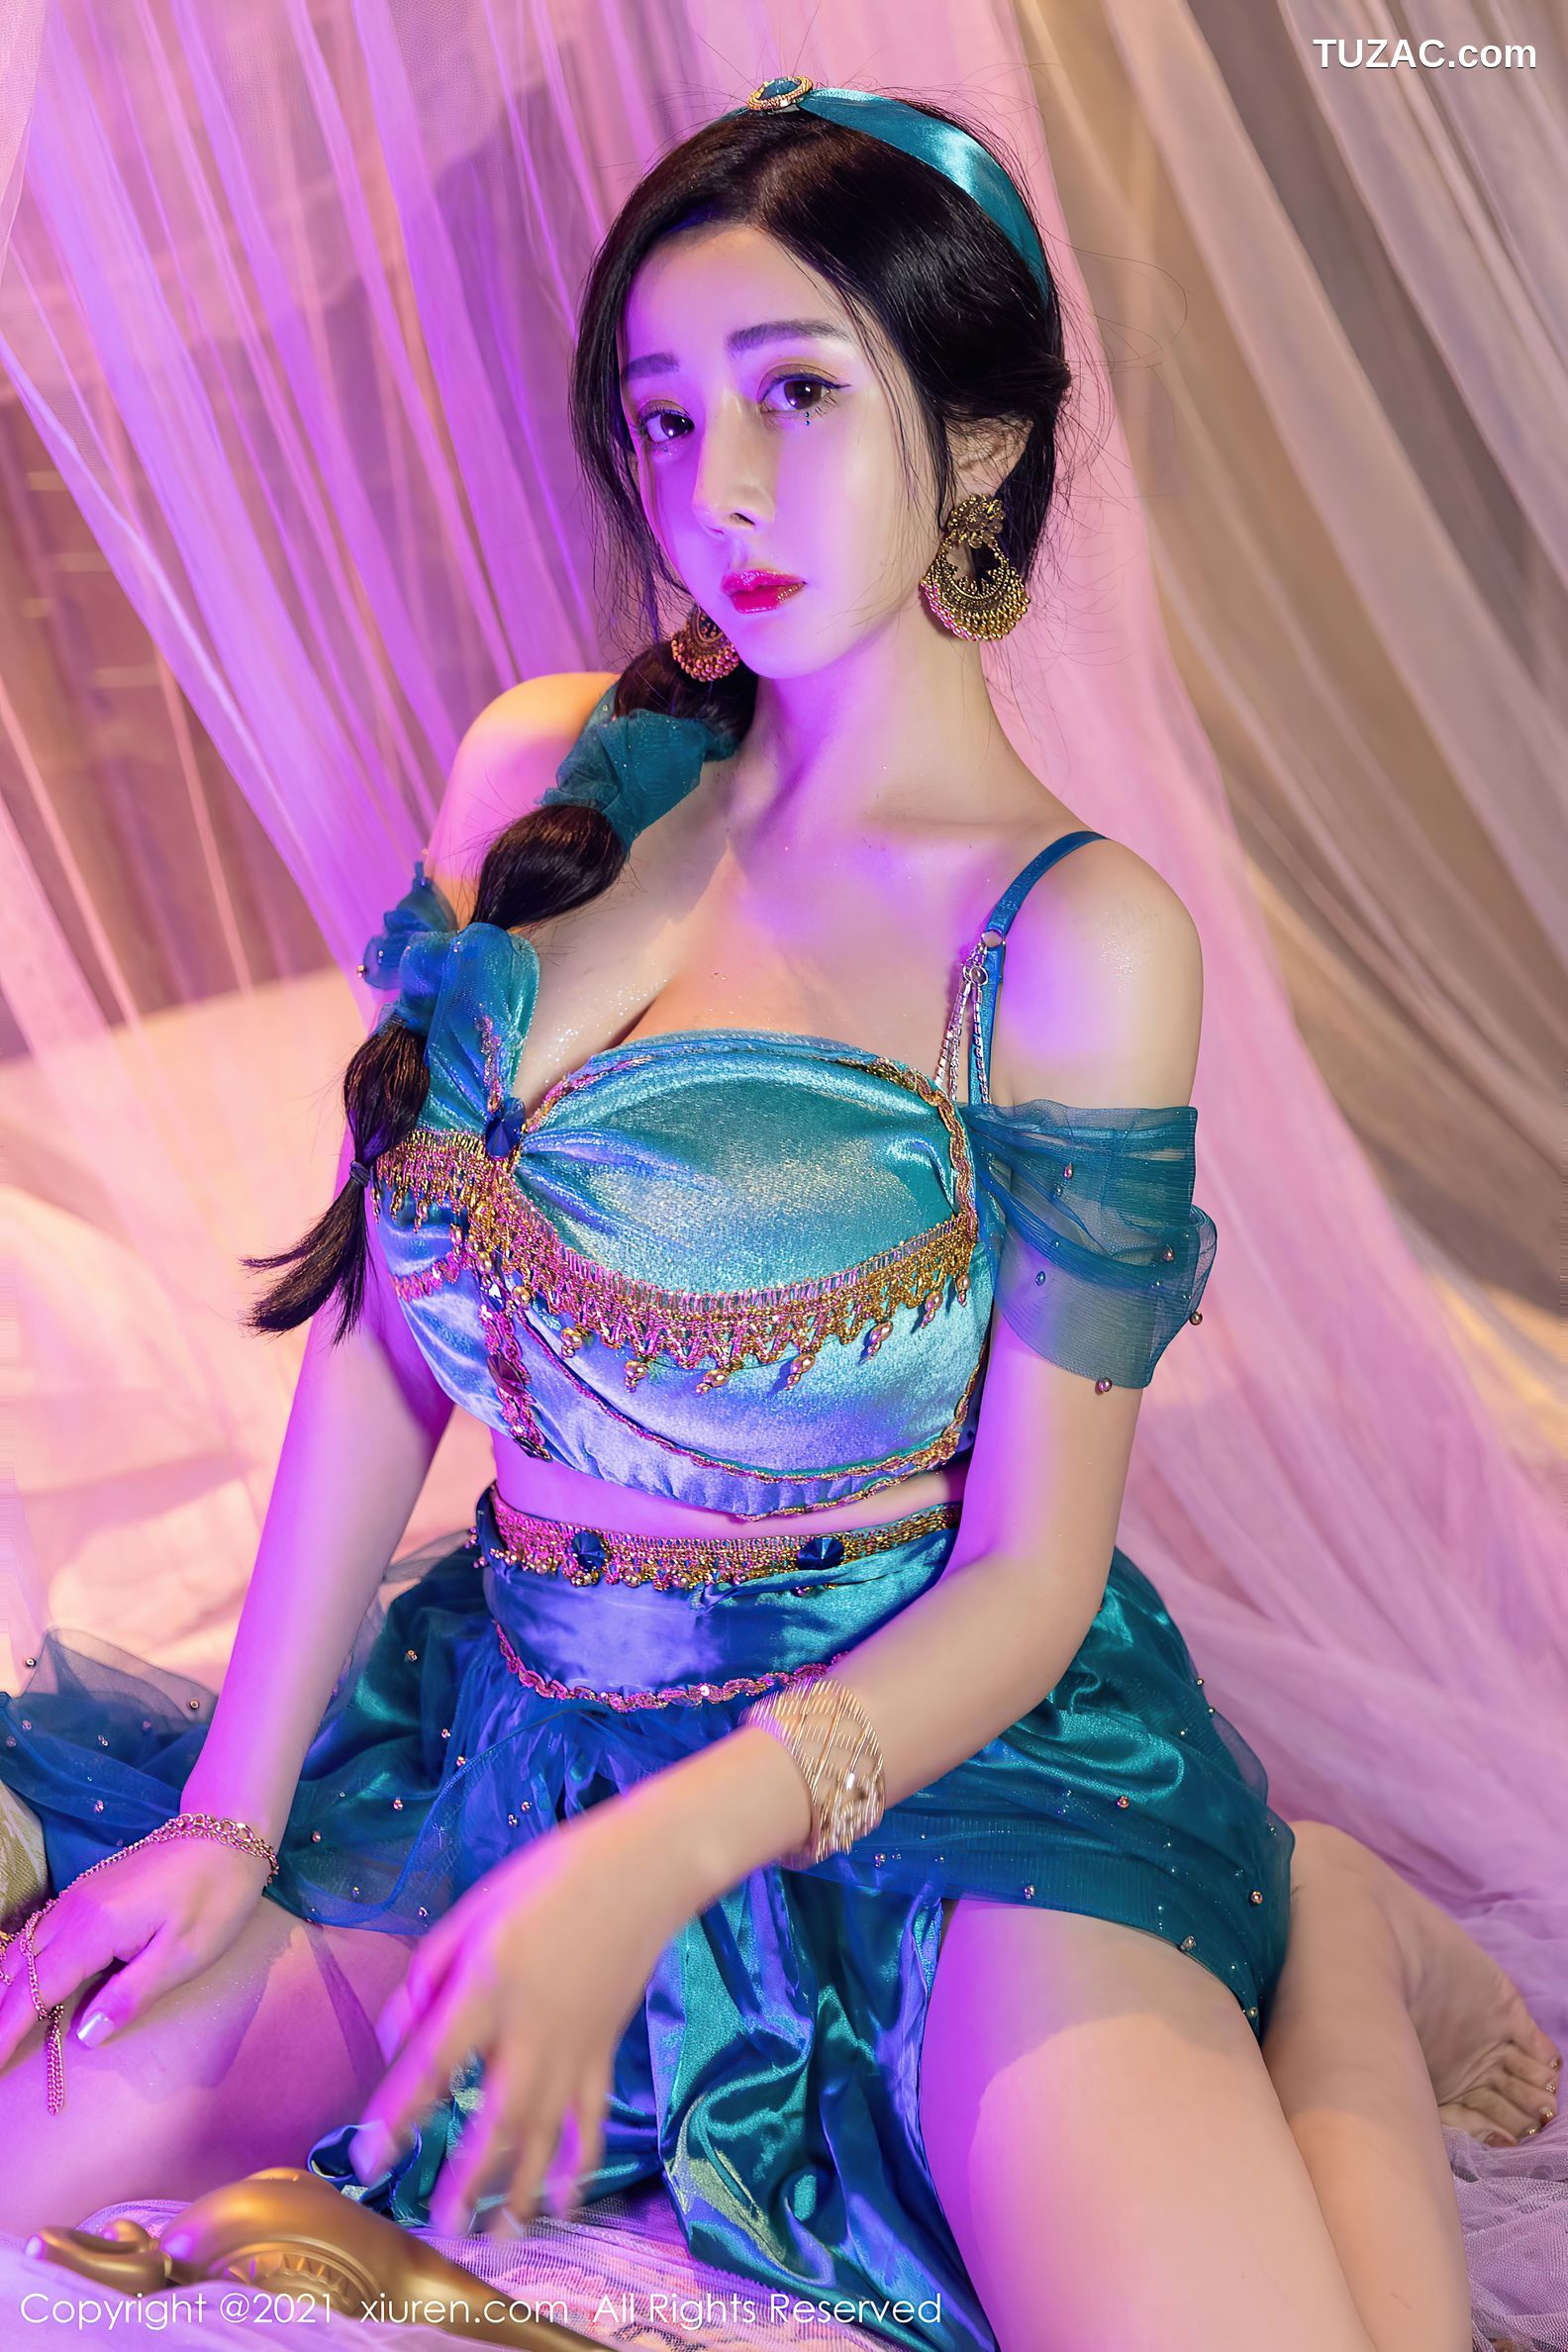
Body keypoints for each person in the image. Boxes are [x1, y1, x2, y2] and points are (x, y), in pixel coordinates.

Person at [0, 76, 1557, 2352]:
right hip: (518, 1708)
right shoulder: (544, 777)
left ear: (985, 444)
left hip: (942, 1766)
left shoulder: (1074, 940)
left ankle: (1326, 1938)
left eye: (795, 394)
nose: (713, 485)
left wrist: (652, 1861)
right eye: (660, 416)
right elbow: (389, 1339)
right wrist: (231, 1815)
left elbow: (1031, 1579)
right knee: (36, 2146)